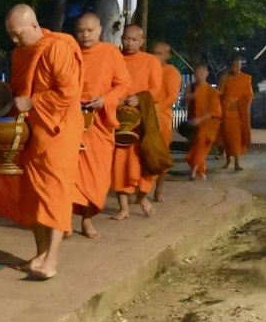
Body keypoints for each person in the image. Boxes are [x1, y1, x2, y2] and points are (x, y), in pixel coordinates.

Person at [0, 4, 83, 280]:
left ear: (34, 25)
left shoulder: (58, 47)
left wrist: (32, 102)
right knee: (31, 194)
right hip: (30, 131)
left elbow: (69, 93)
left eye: (18, 34)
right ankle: (41, 252)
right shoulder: (20, 53)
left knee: (54, 193)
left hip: (58, 131)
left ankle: (52, 260)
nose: (14, 41)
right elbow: (19, 91)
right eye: (11, 36)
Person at [71, 12, 131, 238]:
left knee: (96, 176)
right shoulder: (70, 52)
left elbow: (124, 84)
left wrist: (105, 99)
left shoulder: (111, 53)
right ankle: (63, 221)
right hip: (72, 120)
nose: (85, 35)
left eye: (90, 30)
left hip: (99, 124)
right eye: (80, 30)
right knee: (70, 173)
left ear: (99, 31)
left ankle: (87, 219)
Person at [113, 24, 163, 220]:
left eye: (134, 40)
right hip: (120, 118)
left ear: (142, 42)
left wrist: (140, 98)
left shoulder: (150, 61)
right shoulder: (116, 59)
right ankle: (123, 208)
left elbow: (157, 89)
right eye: (126, 39)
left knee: (145, 162)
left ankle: (142, 197)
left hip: (143, 120)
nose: (129, 43)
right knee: (119, 164)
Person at [151, 41, 183, 202]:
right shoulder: (148, 69)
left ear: (167, 55)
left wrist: (156, 108)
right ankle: (139, 189)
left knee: (161, 155)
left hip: (162, 117)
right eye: (154, 52)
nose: (155, 56)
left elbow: (171, 97)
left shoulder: (172, 72)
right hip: (145, 115)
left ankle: (159, 190)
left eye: (159, 53)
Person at [184, 64, 222, 180]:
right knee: (196, 148)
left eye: (202, 74)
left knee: (201, 146)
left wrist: (200, 119)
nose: (199, 76)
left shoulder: (212, 91)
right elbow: (183, 102)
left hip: (207, 123)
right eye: (197, 74)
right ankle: (199, 170)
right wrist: (191, 96)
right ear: (194, 75)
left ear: (206, 74)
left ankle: (194, 171)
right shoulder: (191, 87)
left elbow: (216, 111)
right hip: (192, 122)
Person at [219, 56, 253, 171]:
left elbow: (248, 96)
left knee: (236, 138)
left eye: (238, 66)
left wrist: (237, 103)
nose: (236, 68)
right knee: (226, 138)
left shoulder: (245, 78)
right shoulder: (225, 78)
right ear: (230, 66)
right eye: (234, 66)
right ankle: (228, 160)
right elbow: (219, 93)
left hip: (237, 113)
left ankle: (237, 163)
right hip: (225, 111)